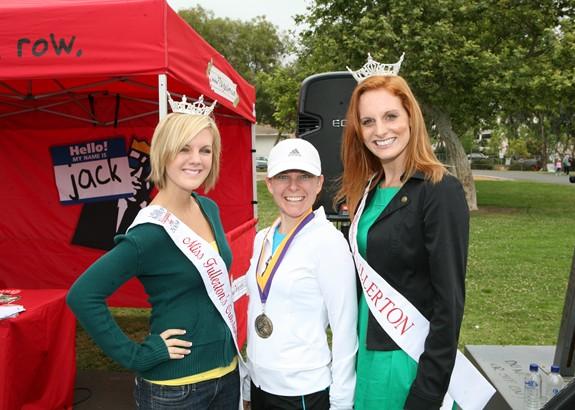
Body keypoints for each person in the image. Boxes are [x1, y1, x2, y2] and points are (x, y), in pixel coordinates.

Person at [67, 95, 241, 409]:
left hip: (227, 375)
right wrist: (137, 356)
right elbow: (82, 295)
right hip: (175, 389)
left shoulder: (208, 208)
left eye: (205, 150)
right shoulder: (149, 233)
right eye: (184, 149)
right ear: (163, 153)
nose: (196, 159)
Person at [337, 54, 480, 410]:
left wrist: (428, 392)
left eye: (390, 116)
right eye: (368, 121)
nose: (380, 130)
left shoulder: (439, 190)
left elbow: (449, 303)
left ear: (411, 118)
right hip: (367, 351)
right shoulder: (368, 190)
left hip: (408, 359)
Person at [243, 138, 358, 410]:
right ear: (269, 183)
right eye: (283, 176)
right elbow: (255, 309)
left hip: (303, 392)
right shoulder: (262, 238)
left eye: (304, 176)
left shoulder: (329, 242)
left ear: (319, 183)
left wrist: (341, 403)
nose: (293, 186)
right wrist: (248, 384)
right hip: (260, 386)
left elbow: (345, 329)